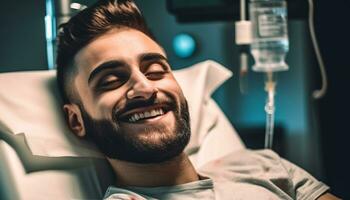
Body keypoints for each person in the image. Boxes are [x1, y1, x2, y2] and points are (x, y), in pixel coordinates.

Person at [55, 0, 340, 199]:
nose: (144, 88)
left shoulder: (262, 165)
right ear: (76, 120)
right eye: (111, 81)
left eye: (155, 70)